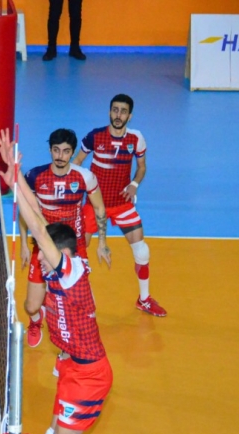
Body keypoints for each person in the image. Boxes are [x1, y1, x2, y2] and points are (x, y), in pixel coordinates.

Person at [0, 128, 112, 434]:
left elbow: (39, 230)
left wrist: (15, 179)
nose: (39, 266)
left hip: (90, 376)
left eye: (45, 258)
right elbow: (41, 222)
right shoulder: (59, 264)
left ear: (61, 256)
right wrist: (16, 174)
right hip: (70, 367)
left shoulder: (71, 271)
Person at [74, 94, 166, 317]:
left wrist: (134, 184)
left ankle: (144, 299)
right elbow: (76, 162)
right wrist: (75, 191)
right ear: (109, 112)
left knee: (142, 251)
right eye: (115, 110)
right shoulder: (95, 136)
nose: (118, 115)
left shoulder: (136, 139)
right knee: (78, 255)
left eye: (123, 111)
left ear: (129, 116)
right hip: (95, 205)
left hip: (122, 203)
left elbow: (141, 167)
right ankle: (77, 302)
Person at [20, 129, 109, 348]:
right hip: (44, 245)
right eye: (56, 150)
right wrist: (23, 243)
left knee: (82, 304)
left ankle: (68, 347)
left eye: (66, 151)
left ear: (73, 152)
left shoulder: (84, 177)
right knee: (31, 306)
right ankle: (36, 320)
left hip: (73, 247)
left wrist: (102, 242)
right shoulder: (35, 176)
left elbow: (99, 208)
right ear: (50, 150)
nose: (60, 156)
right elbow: (26, 212)